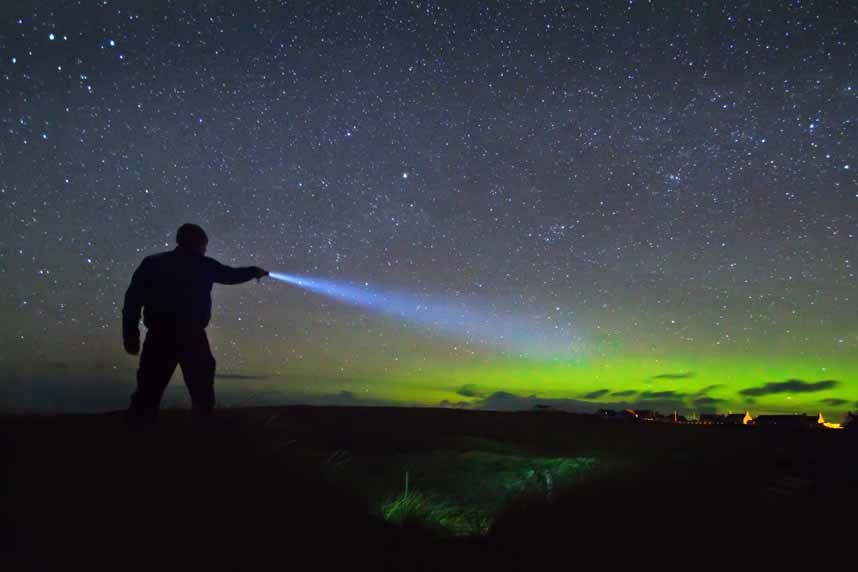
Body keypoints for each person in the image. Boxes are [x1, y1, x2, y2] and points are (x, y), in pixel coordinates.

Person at [122, 223, 268, 430]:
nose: (206, 249)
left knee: (148, 391)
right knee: (202, 392)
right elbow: (231, 275)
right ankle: (202, 442)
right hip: (191, 336)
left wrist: (130, 335)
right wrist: (255, 271)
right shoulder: (204, 265)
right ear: (199, 243)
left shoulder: (153, 263)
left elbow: (133, 301)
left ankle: (136, 441)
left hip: (159, 336)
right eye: (205, 245)